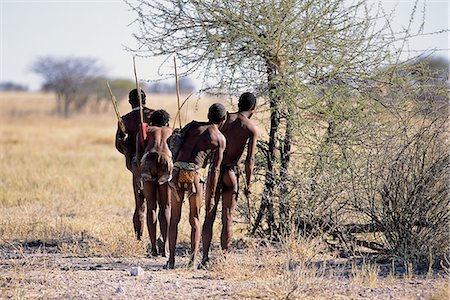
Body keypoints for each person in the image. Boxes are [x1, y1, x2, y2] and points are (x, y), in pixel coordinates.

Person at [201, 92, 259, 266]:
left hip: (215, 172)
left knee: (209, 215)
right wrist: (248, 184)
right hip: (231, 174)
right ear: (253, 109)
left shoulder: (223, 119)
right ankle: (223, 259)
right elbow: (250, 160)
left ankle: (204, 258)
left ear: (238, 104)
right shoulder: (250, 128)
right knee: (227, 217)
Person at [167, 103, 227, 269]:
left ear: (208, 115)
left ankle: (170, 260)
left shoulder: (192, 126)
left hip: (177, 172)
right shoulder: (219, 138)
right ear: (224, 119)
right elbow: (215, 169)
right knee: (195, 219)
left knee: (174, 219)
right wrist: (212, 195)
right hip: (194, 175)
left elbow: (174, 141)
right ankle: (192, 261)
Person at [115, 89, 153, 240]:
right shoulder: (155, 115)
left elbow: (118, 145)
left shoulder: (124, 120)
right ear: (145, 100)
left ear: (130, 102)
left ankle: (138, 239)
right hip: (157, 164)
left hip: (137, 164)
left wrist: (129, 154)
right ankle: (158, 243)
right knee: (159, 205)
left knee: (140, 204)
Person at [137, 110, 173, 257]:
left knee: (151, 206)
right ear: (166, 122)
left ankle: (153, 247)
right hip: (166, 160)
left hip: (148, 159)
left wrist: (140, 171)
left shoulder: (146, 130)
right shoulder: (171, 131)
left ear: (152, 122)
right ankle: (165, 247)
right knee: (165, 206)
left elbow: (139, 153)